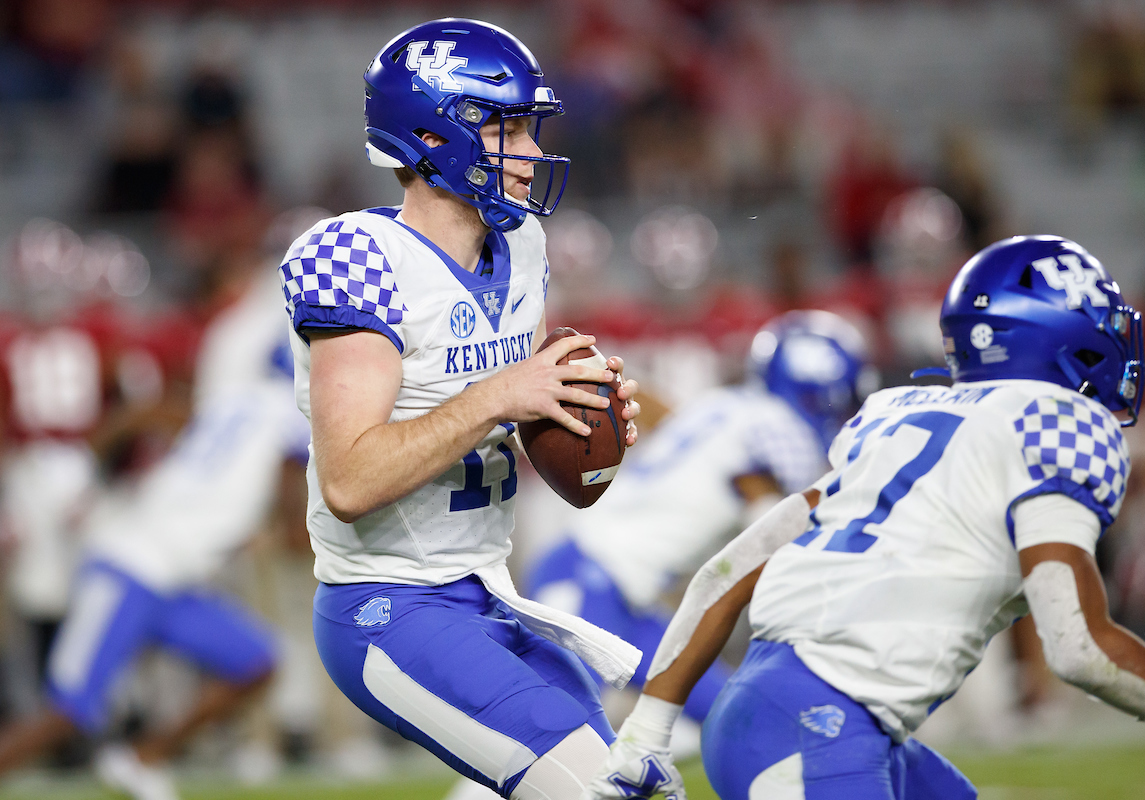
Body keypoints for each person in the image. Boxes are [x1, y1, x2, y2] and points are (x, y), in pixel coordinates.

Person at [584, 235, 1145, 800]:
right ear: (1056, 338)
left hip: (770, 712)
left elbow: (729, 570)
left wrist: (645, 735)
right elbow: (1082, 647)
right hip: (819, 730)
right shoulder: (1055, 425)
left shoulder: (898, 418)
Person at [278, 18, 641, 800]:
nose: (534, 154)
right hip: (390, 605)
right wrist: (504, 393)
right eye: (509, 129)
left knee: (636, 785)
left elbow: (510, 425)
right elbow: (349, 480)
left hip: (486, 589)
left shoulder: (526, 246)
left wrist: (577, 419)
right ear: (437, 137)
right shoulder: (358, 261)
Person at [0, 254, 309, 800]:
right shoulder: (290, 420)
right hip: (133, 566)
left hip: (171, 577)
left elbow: (144, 414)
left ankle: (140, 760)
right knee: (67, 713)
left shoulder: (234, 398)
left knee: (254, 662)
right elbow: (293, 530)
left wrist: (90, 475)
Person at [525, 310, 877, 729]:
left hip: (624, 599)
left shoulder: (725, 405)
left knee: (729, 718)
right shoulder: (778, 428)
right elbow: (774, 526)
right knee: (551, 739)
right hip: (590, 584)